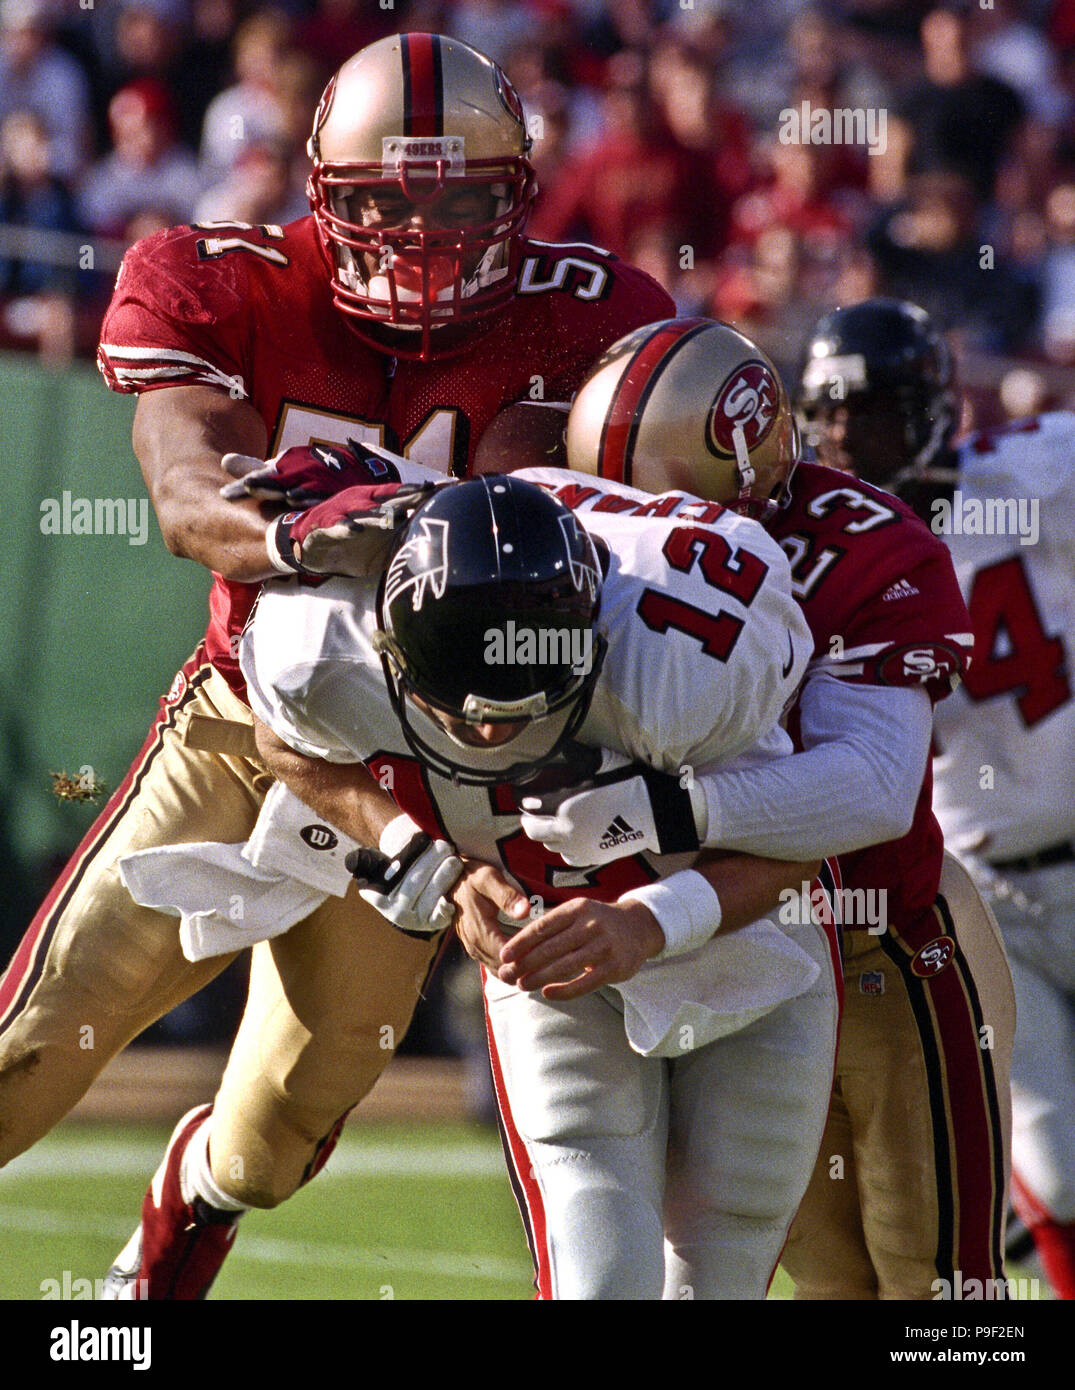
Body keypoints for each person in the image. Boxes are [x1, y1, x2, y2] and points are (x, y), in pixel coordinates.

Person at [0, 31, 675, 1301]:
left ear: (518, 199)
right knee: (30, 1045)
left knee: (276, 1133)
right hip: (249, 722)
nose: (422, 242)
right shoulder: (221, 281)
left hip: (436, 772)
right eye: (384, 207)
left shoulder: (597, 316)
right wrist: (281, 531)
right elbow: (184, 483)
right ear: (319, 194)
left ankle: (182, 1215)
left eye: (461, 204)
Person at [230, 470, 840, 1299]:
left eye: (520, 709)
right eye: (461, 709)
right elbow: (287, 743)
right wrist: (425, 863)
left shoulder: (681, 658)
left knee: (723, 1257)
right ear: (390, 647)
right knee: (596, 1272)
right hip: (545, 945)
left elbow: (809, 836)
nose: (486, 731)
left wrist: (651, 923)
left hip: (739, 935)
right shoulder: (321, 644)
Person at [547, 314, 1015, 1299]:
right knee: (819, 1275)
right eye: (606, 496)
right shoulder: (566, 533)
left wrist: (666, 812)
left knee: (936, 1278)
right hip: (719, 947)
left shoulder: (863, 544)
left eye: (653, 497)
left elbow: (872, 792)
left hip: (877, 933)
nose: (629, 527)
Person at [797, 296, 1075, 1300]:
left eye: (866, 414)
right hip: (988, 884)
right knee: (1054, 1157)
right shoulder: (820, 555)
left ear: (929, 408)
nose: (844, 439)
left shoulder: (1037, 476)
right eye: (827, 415)